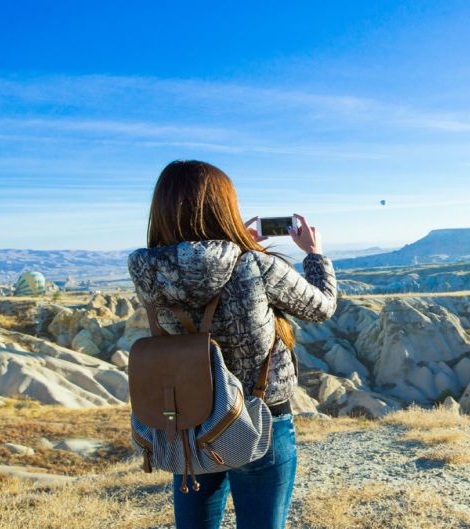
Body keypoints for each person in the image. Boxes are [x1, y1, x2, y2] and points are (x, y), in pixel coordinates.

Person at [128, 160, 338, 529]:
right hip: (260, 416)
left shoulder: (148, 272)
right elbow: (322, 307)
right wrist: (313, 254)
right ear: (223, 208)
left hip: (188, 419)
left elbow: (196, 269)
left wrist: (230, 245)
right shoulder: (254, 264)